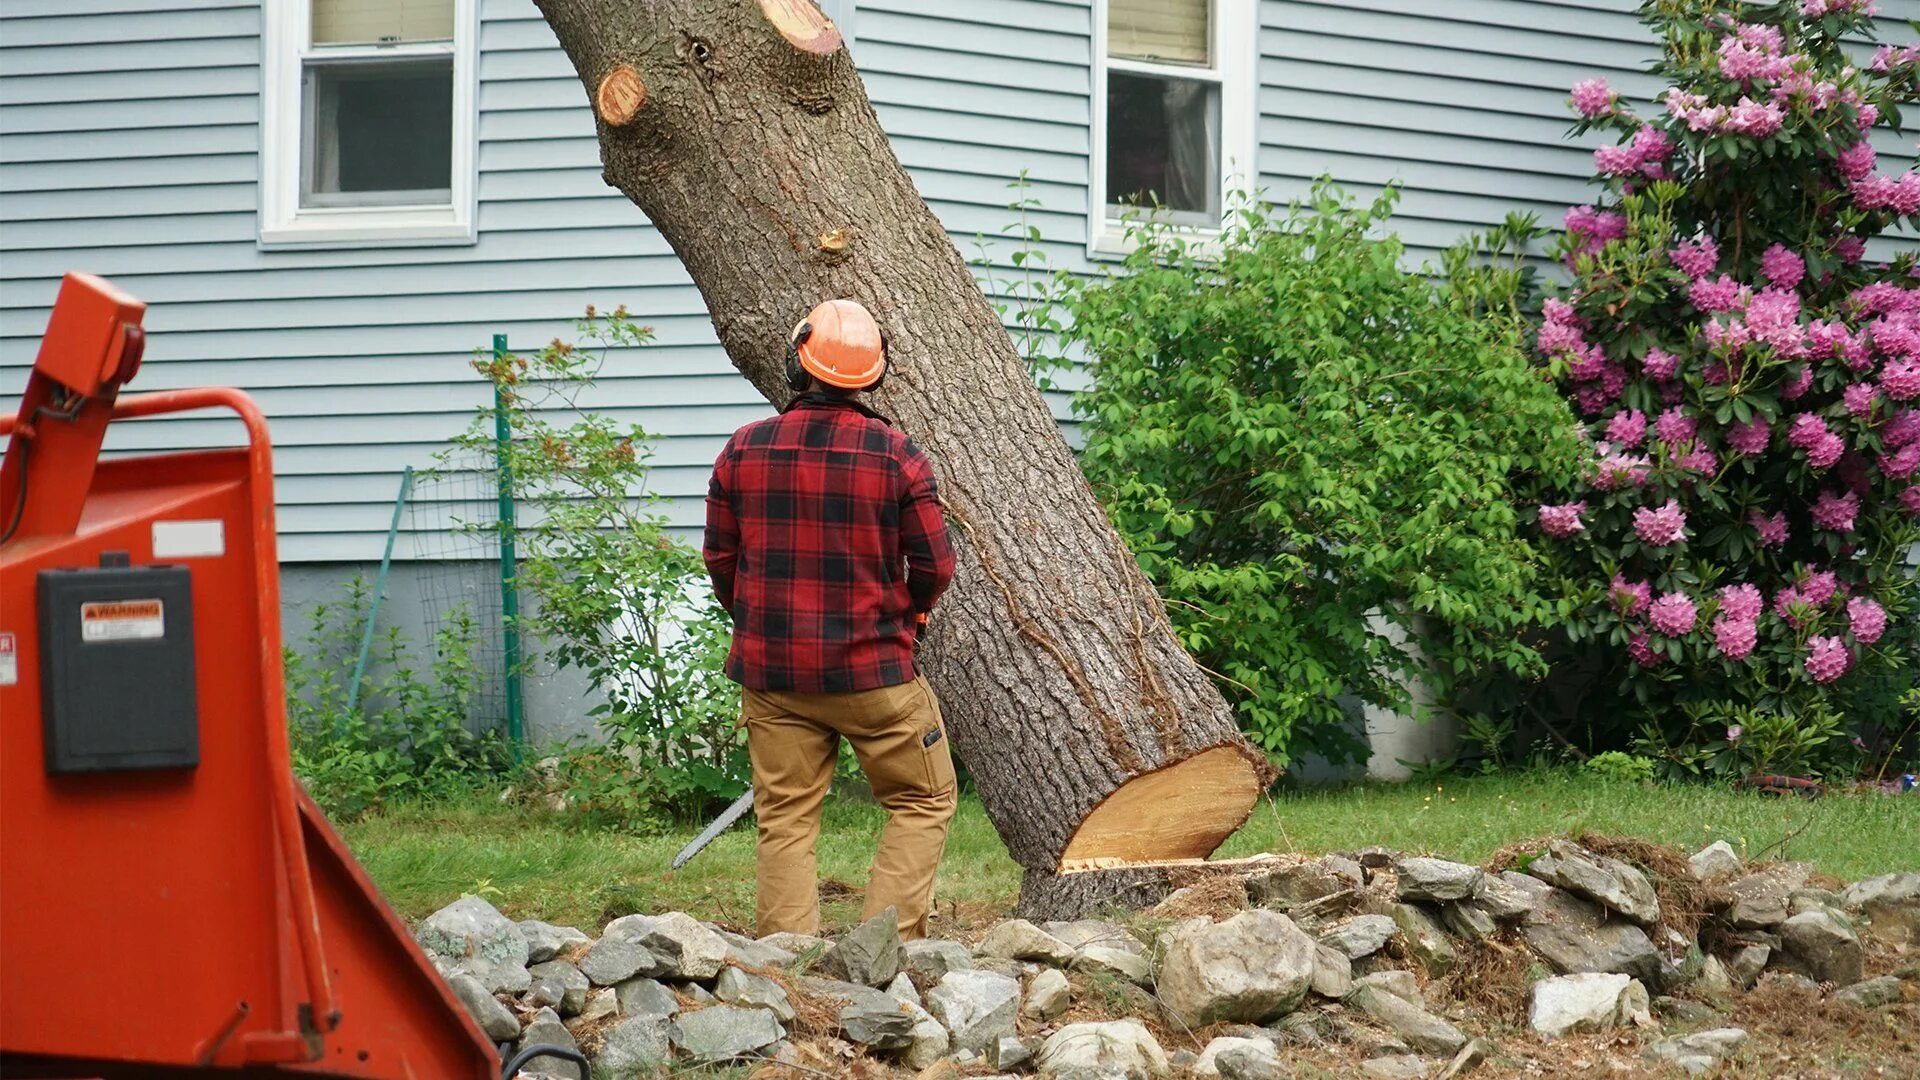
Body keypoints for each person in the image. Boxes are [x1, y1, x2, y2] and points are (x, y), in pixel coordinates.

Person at [702, 298, 958, 939]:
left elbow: (720, 558)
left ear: (799, 366)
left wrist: (759, 622)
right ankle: (886, 951)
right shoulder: (897, 456)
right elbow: (935, 565)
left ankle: (784, 966)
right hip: (874, 674)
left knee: (785, 816)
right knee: (923, 798)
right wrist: (913, 617)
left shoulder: (743, 448)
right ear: (874, 375)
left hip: (774, 674)